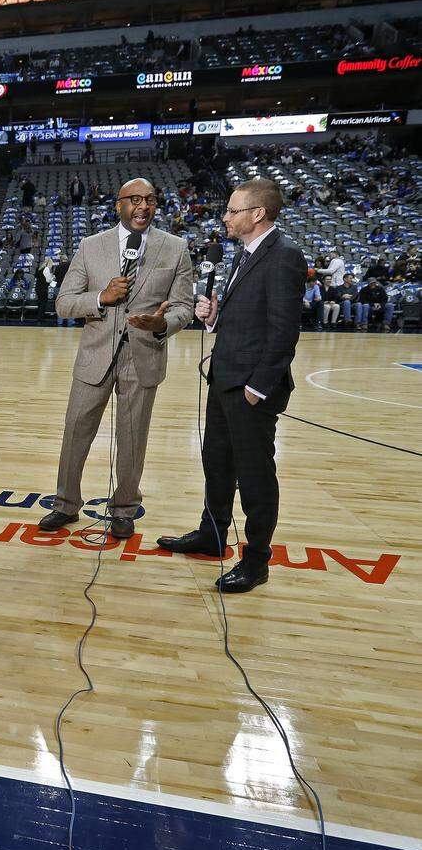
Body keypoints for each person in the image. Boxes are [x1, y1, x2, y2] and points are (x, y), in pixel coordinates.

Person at [158, 177, 306, 594]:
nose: (225, 217)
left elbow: (283, 332)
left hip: (250, 389)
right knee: (217, 463)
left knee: (256, 475)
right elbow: (247, 320)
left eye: (232, 210)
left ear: (257, 214)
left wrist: (258, 387)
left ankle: (256, 560)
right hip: (225, 378)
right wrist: (214, 317)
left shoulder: (284, 257)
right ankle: (212, 534)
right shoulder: (245, 254)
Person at [38, 178, 196, 539]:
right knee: (75, 432)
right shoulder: (91, 246)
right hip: (95, 357)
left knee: (133, 437)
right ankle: (65, 504)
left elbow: (184, 307)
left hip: (144, 356)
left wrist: (162, 325)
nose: (143, 206)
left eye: (151, 200)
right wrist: (100, 298)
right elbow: (64, 301)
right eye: (135, 199)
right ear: (118, 205)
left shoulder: (175, 248)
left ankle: (124, 508)